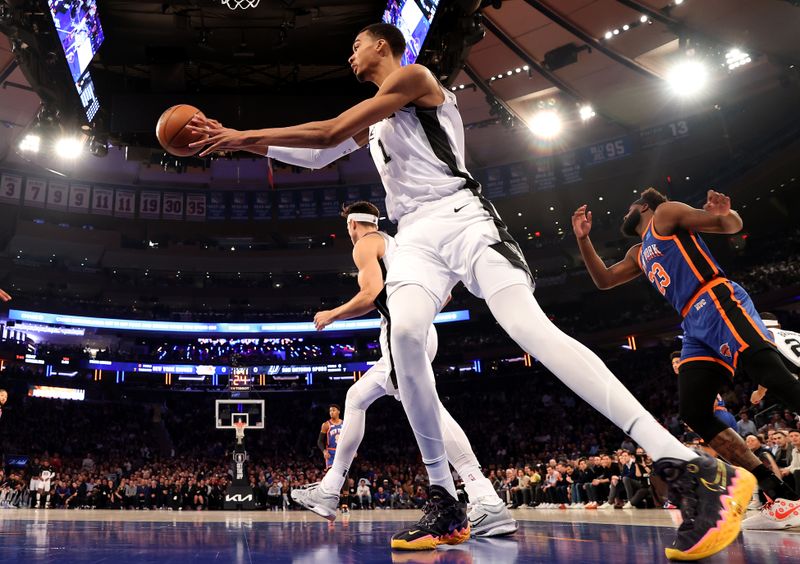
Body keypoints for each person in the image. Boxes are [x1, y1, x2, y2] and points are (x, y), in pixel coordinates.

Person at [189, 24, 755, 558]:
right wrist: (242, 146)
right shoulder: (378, 122)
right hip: (412, 238)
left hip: (462, 218)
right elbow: (318, 152)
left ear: (384, 47)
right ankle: (445, 499)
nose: (350, 54)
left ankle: (685, 464)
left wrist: (238, 133)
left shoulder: (413, 79)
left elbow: (331, 130)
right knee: (405, 336)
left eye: (357, 44)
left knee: (530, 330)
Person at [572, 187, 800, 530]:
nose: (624, 213)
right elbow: (604, 280)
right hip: (693, 323)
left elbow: (730, 226)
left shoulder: (665, 213)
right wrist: (583, 240)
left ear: (645, 206)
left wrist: (724, 212)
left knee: (770, 372)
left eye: (629, 206)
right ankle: (779, 494)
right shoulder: (638, 252)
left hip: (715, 297)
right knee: (694, 411)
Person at [292, 202, 516, 537]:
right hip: (421, 326)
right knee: (356, 396)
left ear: (353, 223)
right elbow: (446, 297)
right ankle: (329, 489)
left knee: (430, 410)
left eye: (348, 226)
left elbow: (371, 294)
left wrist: (332, 314)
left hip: (400, 330)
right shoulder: (399, 245)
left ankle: (485, 497)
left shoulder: (366, 244)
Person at [749, 312, 800, 405]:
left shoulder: (766, 338)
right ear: (779, 326)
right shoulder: (796, 334)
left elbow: (767, 368)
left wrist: (759, 393)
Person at [319, 404, 343, 470]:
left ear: (338, 411)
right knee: (332, 474)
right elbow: (319, 441)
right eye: (330, 411)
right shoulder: (326, 424)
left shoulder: (345, 423)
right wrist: (324, 451)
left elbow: (349, 439)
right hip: (331, 452)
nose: (331, 412)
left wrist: (353, 450)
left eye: (333, 410)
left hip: (342, 451)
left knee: (344, 475)